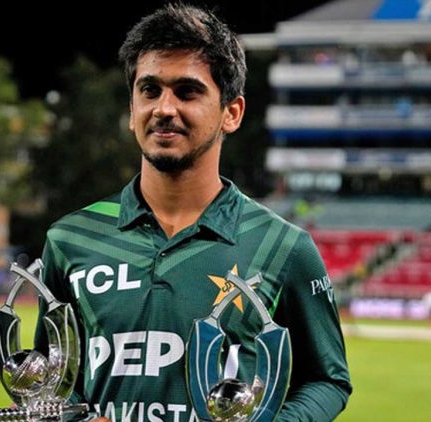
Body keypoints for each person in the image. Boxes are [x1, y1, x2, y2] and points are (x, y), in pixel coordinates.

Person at [35, 4, 351, 421]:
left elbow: (327, 379)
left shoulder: (284, 247)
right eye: (150, 90)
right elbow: (51, 380)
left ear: (231, 113)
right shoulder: (70, 240)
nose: (164, 108)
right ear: (131, 109)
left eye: (187, 91)